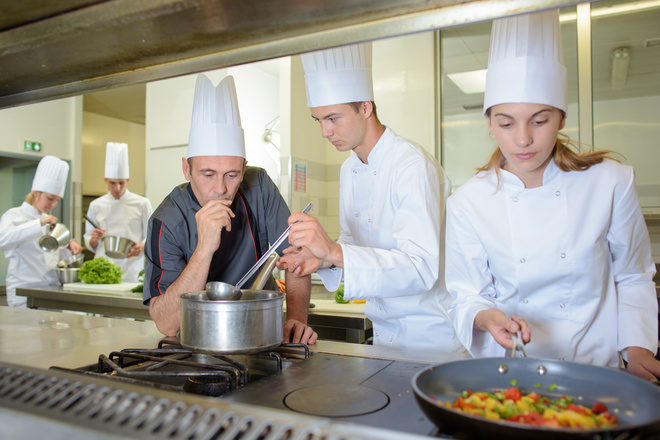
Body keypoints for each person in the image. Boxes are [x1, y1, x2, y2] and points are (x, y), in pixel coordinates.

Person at [446, 10, 660, 381]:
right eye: (506, 122)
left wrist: (639, 349)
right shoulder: (468, 202)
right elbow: (467, 295)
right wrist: (485, 317)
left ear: (561, 118)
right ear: (489, 123)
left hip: (599, 372)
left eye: (540, 120)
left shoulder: (610, 182)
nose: (524, 139)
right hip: (514, 371)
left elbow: (633, 275)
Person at [277, 42, 463, 353]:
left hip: (431, 337)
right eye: (318, 120)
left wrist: (333, 250)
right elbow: (352, 244)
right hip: (385, 333)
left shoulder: (412, 166)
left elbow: (421, 268)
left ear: (366, 107)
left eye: (333, 118)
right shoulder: (350, 169)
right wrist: (320, 258)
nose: (325, 131)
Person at [143, 73, 317, 345]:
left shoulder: (259, 186)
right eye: (208, 174)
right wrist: (203, 251)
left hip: (263, 333)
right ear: (186, 169)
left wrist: (296, 319)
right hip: (196, 341)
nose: (221, 189)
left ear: (244, 169)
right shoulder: (166, 221)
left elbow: (296, 255)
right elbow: (166, 324)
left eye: (232, 175)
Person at [0, 155, 82, 307]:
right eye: (50, 199)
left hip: (51, 290)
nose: (53, 205)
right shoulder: (15, 215)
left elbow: (55, 257)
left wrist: (70, 246)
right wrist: (38, 224)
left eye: (57, 200)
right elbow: (3, 240)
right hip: (23, 292)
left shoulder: (50, 221)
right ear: (36, 193)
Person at [84, 142, 153, 282]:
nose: (117, 188)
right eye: (112, 183)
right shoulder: (96, 205)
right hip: (104, 267)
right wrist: (93, 240)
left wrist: (142, 246)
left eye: (121, 183)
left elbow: (151, 235)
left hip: (132, 267)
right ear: (105, 180)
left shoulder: (142, 203)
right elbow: (89, 240)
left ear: (128, 180)